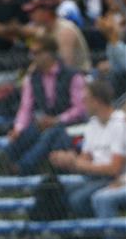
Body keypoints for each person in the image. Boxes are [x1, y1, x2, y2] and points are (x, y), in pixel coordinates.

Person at [5, 33, 86, 175]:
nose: (33, 57)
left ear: (50, 53)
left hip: (71, 124)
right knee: (18, 140)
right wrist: (18, 129)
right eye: (32, 53)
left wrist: (57, 120)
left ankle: (22, 168)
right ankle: (12, 172)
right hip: (44, 123)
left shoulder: (73, 75)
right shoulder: (32, 78)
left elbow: (80, 108)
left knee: (50, 135)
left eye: (37, 53)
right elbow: (25, 108)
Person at [50, 79, 126, 217]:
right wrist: (69, 161)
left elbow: (114, 169)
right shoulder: (93, 124)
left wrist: (78, 164)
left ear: (96, 101)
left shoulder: (120, 124)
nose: (83, 103)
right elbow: (84, 159)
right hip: (95, 177)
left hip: (114, 179)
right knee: (60, 194)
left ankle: (96, 235)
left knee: (78, 200)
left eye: (86, 99)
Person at [22, 0, 92, 73]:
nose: (30, 15)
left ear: (46, 11)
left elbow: (66, 66)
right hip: (52, 78)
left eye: (33, 11)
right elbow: (36, 62)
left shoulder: (65, 30)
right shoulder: (42, 31)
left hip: (80, 78)